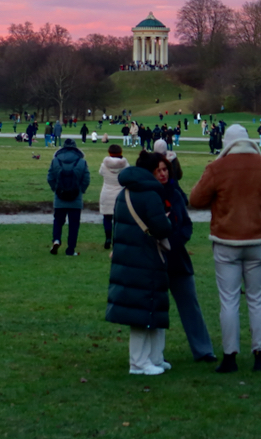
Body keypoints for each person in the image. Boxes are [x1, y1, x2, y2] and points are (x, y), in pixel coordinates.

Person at [189, 125, 261, 373]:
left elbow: (195, 199)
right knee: (258, 300)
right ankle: (260, 354)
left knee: (229, 301)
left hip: (227, 241)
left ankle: (230, 356)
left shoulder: (217, 168)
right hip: (259, 240)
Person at [106, 151, 174, 375]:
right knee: (143, 312)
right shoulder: (150, 195)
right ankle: (138, 362)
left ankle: (153, 357)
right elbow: (161, 228)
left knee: (149, 308)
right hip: (146, 256)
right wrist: (167, 220)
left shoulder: (123, 193)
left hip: (129, 256)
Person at [150, 146, 216, 363]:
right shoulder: (147, 196)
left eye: (165, 169)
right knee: (154, 307)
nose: (163, 173)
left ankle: (203, 350)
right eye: (158, 170)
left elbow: (186, 225)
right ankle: (152, 355)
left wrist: (175, 241)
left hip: (177, 257)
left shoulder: (176, 193)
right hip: (155, 259)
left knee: (190, 305)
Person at [46, 138, 90, 256]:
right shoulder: (81, 162)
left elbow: (50, 177)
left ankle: (56, 240)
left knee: (58, 221)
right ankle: (70, 249)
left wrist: (56, 189)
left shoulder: (55, 161)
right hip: (76, 198)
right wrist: (81, 190)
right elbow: (86, 179)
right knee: (74, 225)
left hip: (59, 197)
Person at [97, 145, 129, 250]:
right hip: (120, 194)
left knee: (106, 218)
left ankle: (108, 238)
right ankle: (116, 240)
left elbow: (101, 173)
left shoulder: (104, 165)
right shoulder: (125, 165)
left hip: (107, 192)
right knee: (118, 220)